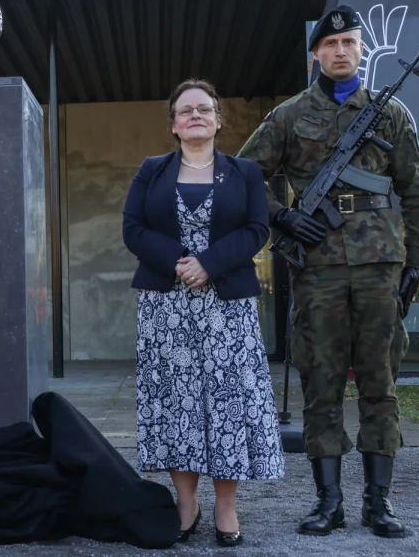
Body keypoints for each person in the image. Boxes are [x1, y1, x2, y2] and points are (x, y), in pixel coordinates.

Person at [237, 5, 419, 539]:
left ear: (361, 50)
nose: (341, 51)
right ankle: (328, 503)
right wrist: (282, 215)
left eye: (349, 42)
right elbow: (243, 175)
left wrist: (416, 262)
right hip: (318, 266)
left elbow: (416, 193)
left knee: (380, 382)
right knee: (320, 383)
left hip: (380, 266)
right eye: (331, 44)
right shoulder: (288, 115)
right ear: (316, 54)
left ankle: (378, 502)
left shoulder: (389, 114)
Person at [122, 79, 284, 548]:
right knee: (178, 402)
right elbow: (133, 228)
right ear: (174, 124)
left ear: (217, 120)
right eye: (186, 110)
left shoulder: (245, 172)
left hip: (227, 307)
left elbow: (257, 229)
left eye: (205, 109)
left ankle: (226, 506)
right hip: (166, 306)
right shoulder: (151, 170)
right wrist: (179, 261)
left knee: (228, 401)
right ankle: (186, 503)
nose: (196, 115)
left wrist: (209, 263)